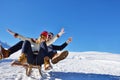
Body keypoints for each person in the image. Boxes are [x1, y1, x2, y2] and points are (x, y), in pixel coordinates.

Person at [0, 28, 65, 70]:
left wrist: (59, 34)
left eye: (45, 37)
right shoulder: (32, 40)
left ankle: (47, 63)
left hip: (40, 60)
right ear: (40, 36)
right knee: (25, 41)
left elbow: (53, 40)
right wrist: (13, 33)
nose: (43, 38)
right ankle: (11, 55)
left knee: (43, 44)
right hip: (30, 59)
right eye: (42, 36)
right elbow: (22, 37)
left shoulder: (45, 43)